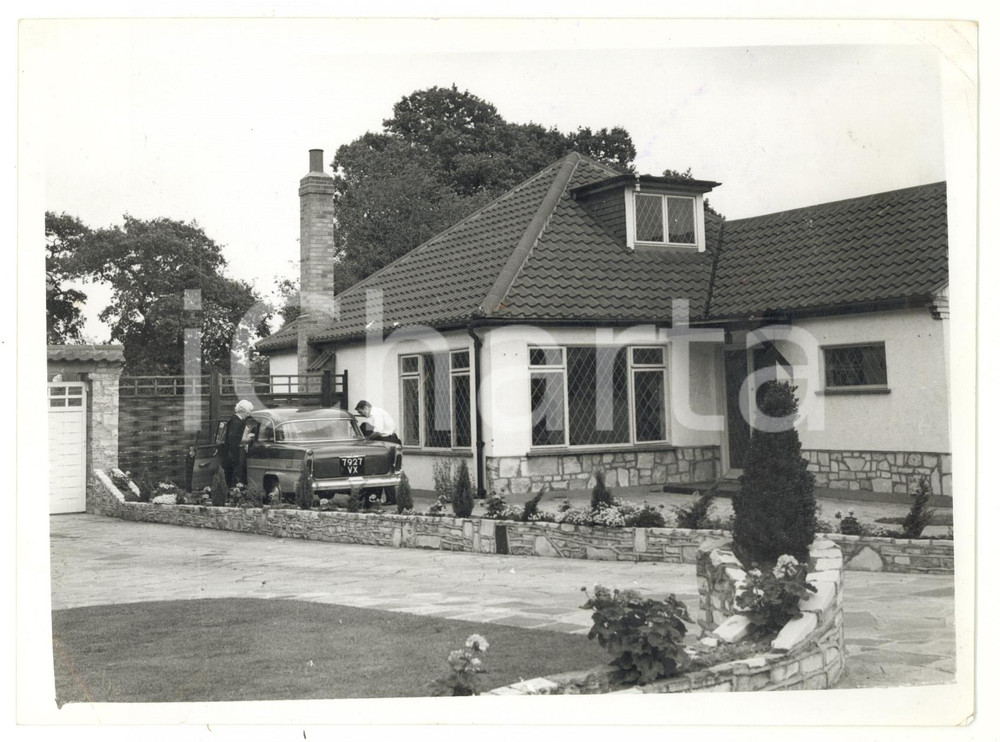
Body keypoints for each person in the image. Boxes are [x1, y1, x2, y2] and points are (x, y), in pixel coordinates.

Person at [221, 399, 254, 486]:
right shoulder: (238, 422)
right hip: (235, 454)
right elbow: (234, 439)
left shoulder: (233, 419)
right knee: (235, 478)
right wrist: (249, 439)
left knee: (231, 478)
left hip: (230, 453)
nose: (248, 414)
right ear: (243, 411)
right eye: (248, 412)